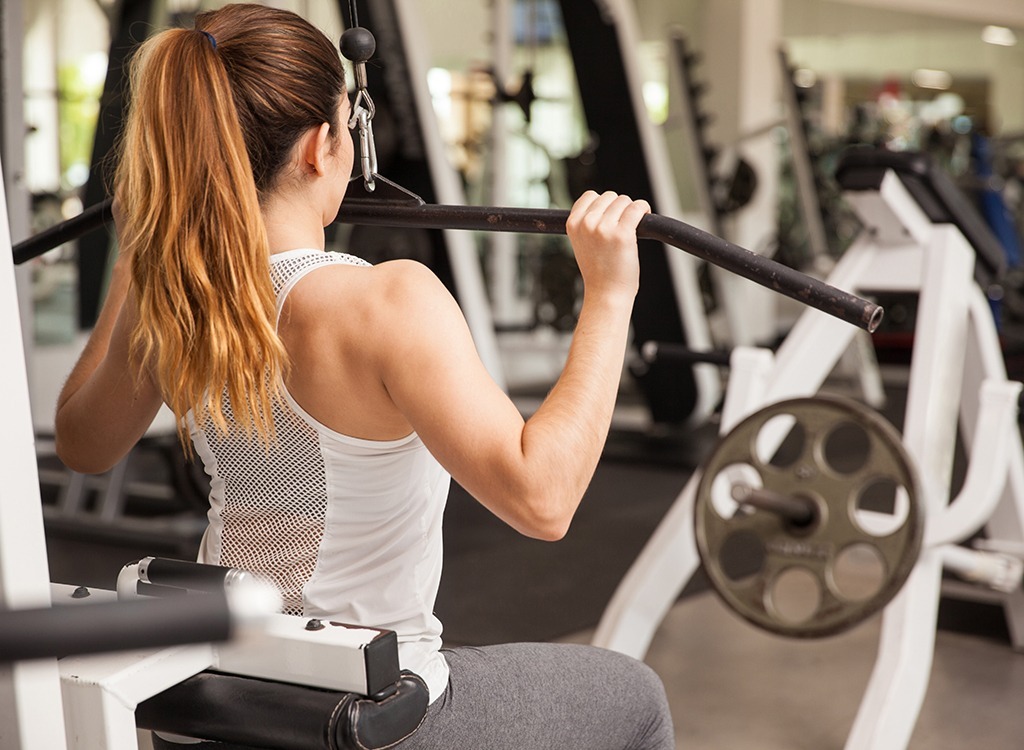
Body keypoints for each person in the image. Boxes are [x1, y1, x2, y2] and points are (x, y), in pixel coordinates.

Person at [53, 4, 675, 748]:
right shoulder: (387, 302)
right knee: (634, 698)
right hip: (358, 719)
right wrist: (610, 294)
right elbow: (543, 500)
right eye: (349, 124)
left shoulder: (180, 294)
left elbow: (82, 446)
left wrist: (135, 254)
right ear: (321, 146)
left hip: (211, 712)